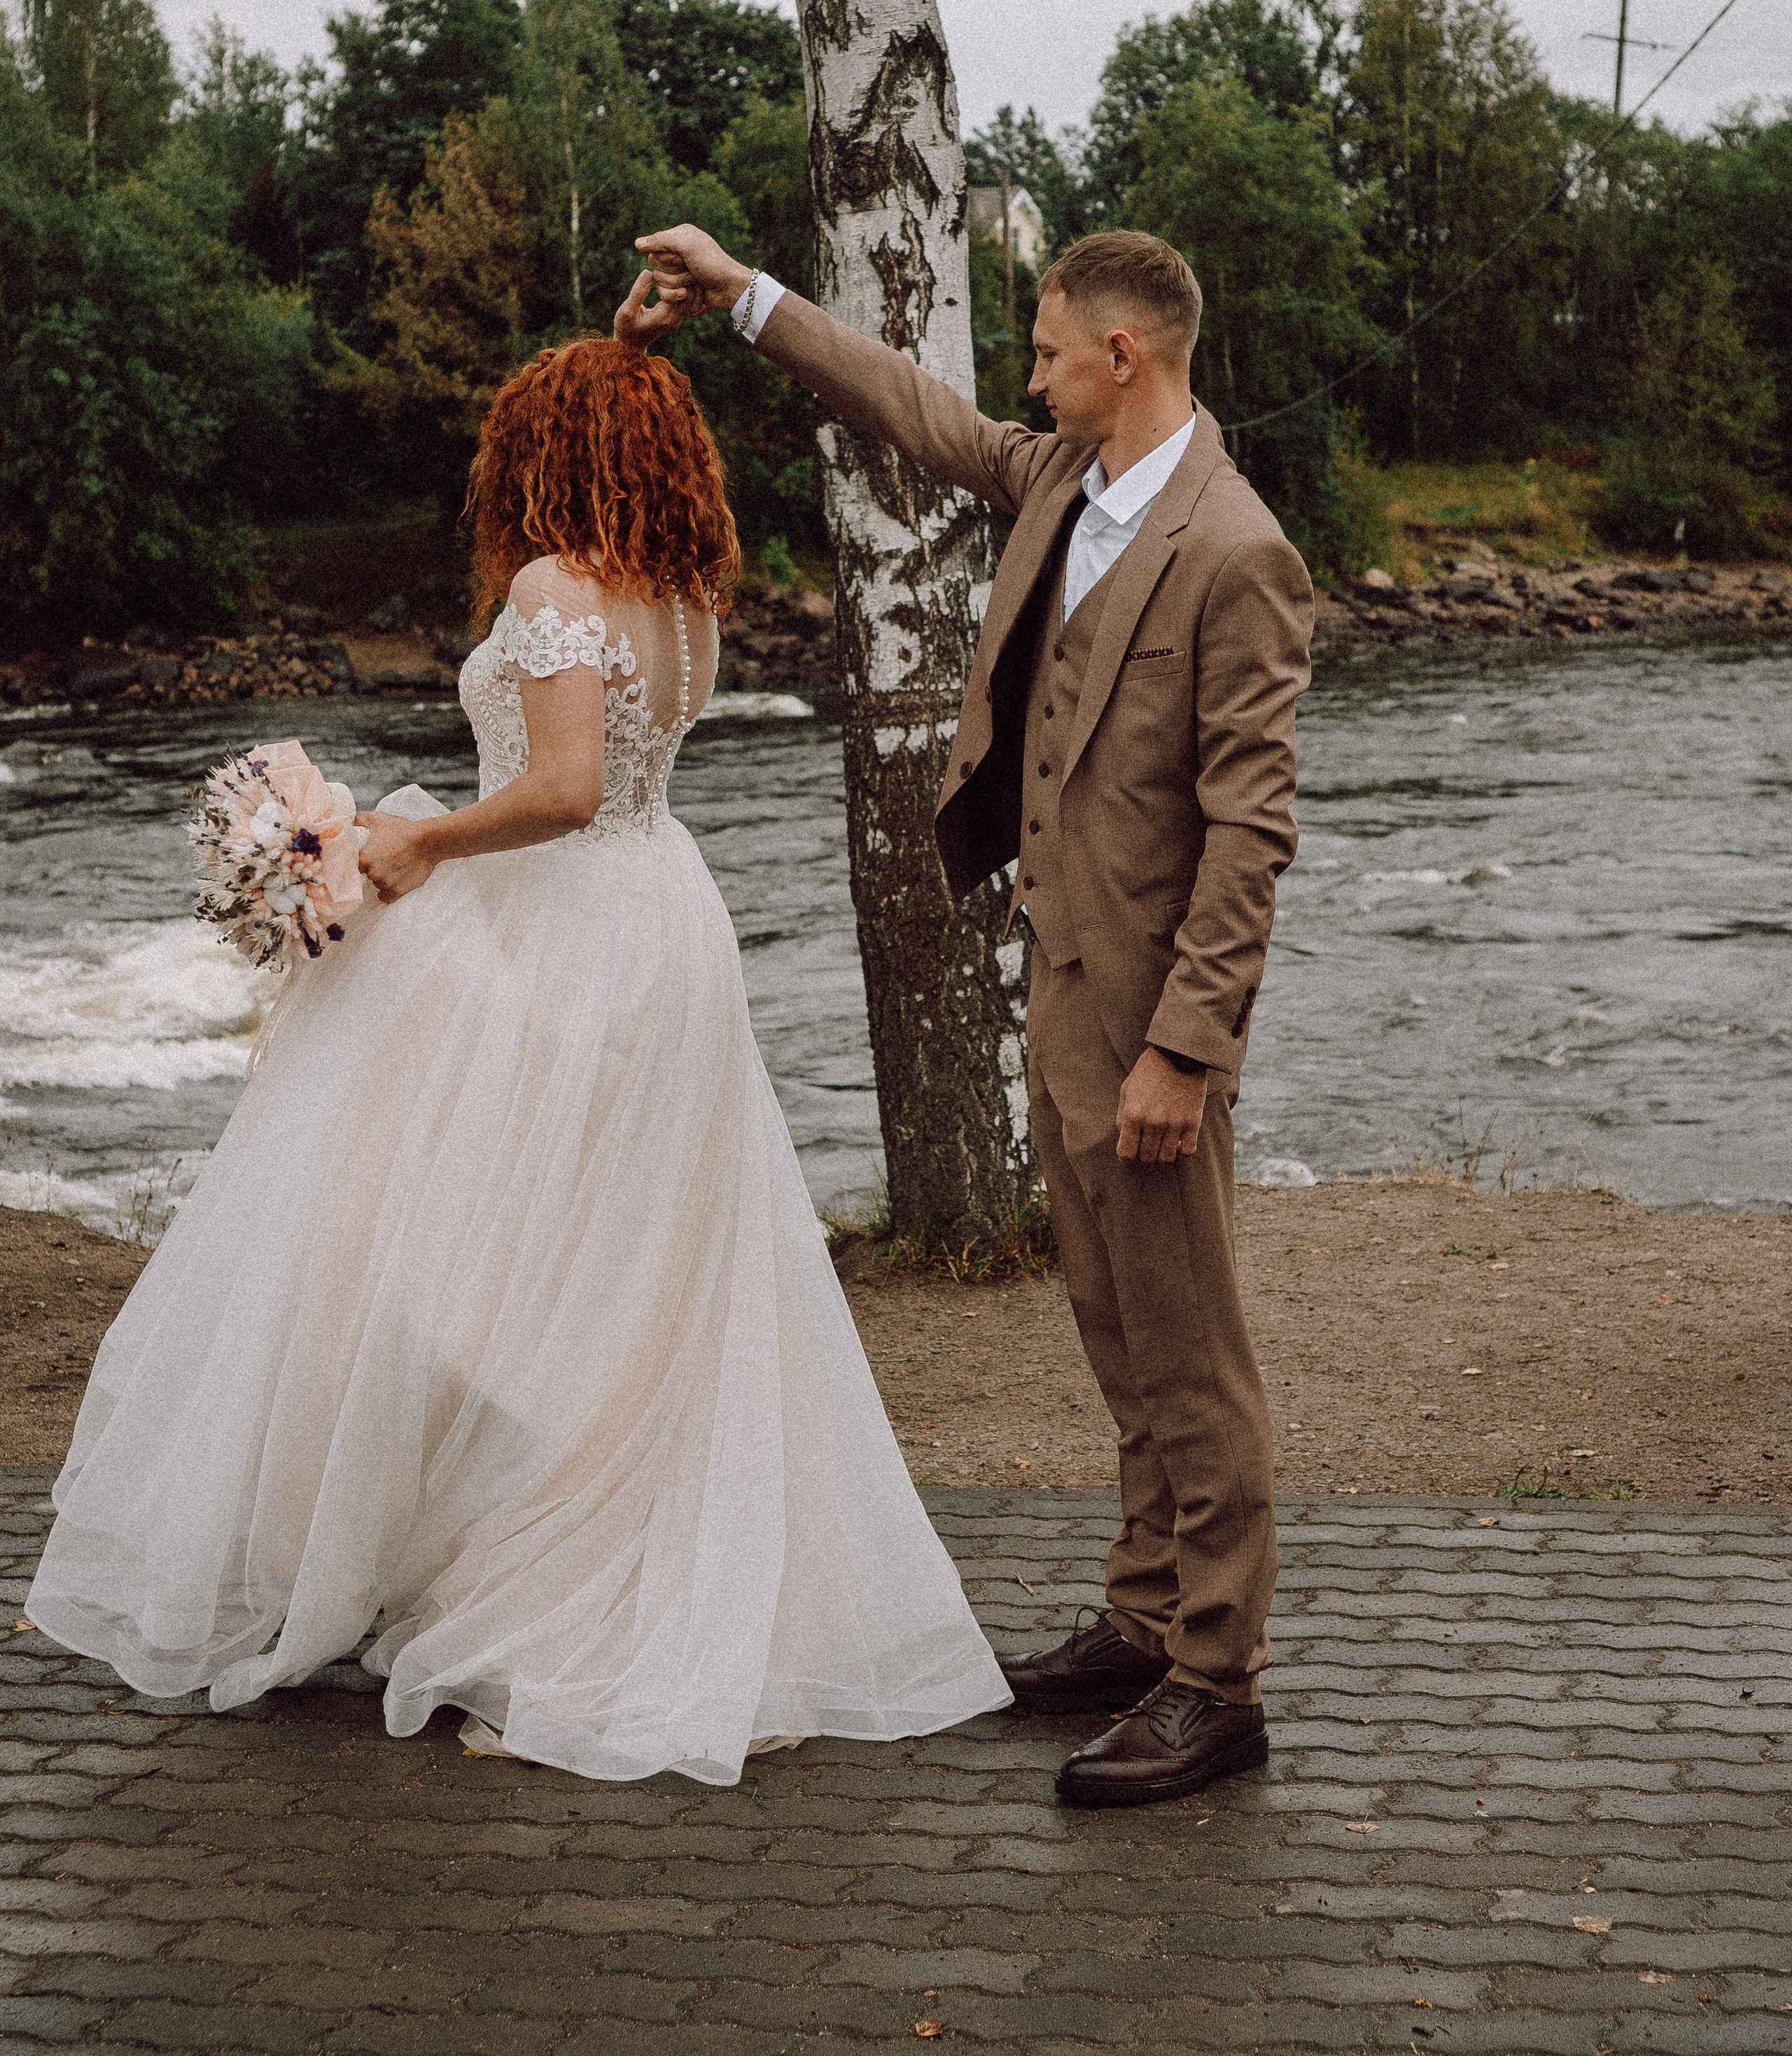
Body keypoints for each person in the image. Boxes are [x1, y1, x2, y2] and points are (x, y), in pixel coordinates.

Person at [27, 333, 1008, 1783]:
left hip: (569, 930)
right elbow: (622, 784)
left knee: (473, 1256)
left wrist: (415, 837)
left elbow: (561, 789)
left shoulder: (556, 589)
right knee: (621, 1269)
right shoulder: (685, 600)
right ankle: (543, 1543)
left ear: (546, 455)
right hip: (664, 917)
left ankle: (551, 1597)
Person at [631, 223, 1312, 1812]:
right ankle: (1143, 1618)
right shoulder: (1060, 482)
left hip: (1150, 1021)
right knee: (1110, 1319)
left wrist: (1182, 1049)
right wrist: (746, 300)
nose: (1025, 370)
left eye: (1047, 346)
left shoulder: (1235, 550)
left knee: (1191, 1351)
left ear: (1124, 356)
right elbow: (912, 412)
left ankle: (1215, 1682)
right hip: (1060, 983)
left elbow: (1247, 835)